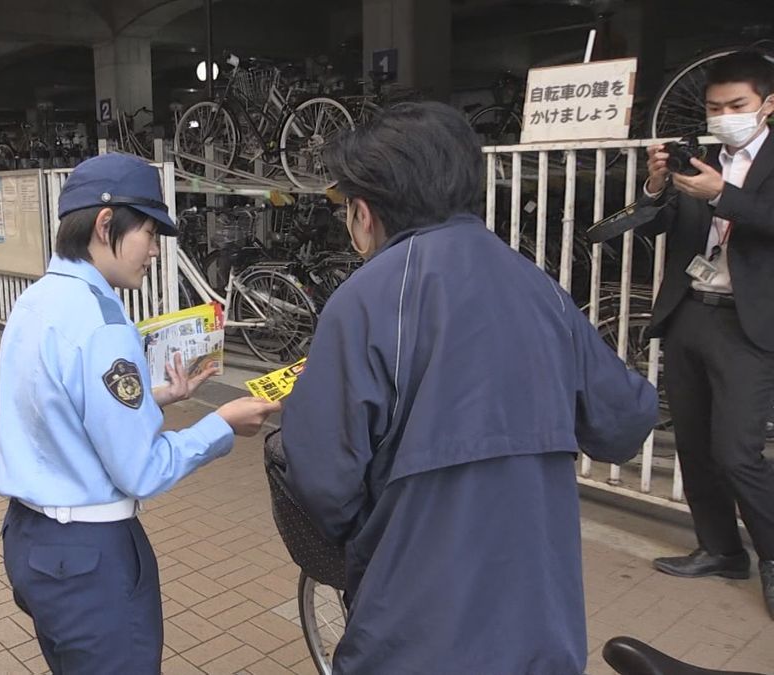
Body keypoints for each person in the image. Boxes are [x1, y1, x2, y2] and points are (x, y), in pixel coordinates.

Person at [279, 102, 659, 674]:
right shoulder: (540, 289)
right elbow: (625, 423)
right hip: (539, 625)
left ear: (362, 210)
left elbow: (323, 480)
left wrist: (371, 537)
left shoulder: (364, 300)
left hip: (411, 626)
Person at [0, 153, 280, 674]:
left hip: (30, 541)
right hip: (90, 559)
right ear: (105, 224)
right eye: (147, 232)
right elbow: (140, 468)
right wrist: (222, 424)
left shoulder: (34, 301)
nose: (154, 253)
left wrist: (157, 396)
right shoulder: (102, 323)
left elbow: (56, 406)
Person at [637, 51, 774, 618]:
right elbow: (660, 223)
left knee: (737, 451)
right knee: (693, 445)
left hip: (748, 322)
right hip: (690, 311)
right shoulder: (700, 160)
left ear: (767, 105)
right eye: (715, 107)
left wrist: (720, 194)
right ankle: (720, 549)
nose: (724, 116)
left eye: (737, 105)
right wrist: (655, 186)